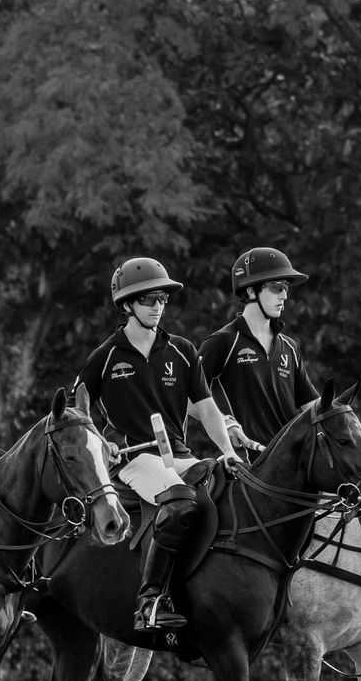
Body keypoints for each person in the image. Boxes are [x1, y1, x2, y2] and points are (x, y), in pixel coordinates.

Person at [76, 257, 244, 630]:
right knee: (181, 501)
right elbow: (79, 415)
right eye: (149, 299)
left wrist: (227, 452)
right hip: (133, 460)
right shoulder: (104, 358)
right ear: (127, 305)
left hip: (177, 456)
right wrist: (103, 444)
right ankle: (150, 601)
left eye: (163, 299)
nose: (158, 306)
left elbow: (207, 408)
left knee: (231, 486)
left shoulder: (183, 350)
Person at [198, 246, 320, 451]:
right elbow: (188, 396)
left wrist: (350, 424)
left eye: (286, 287)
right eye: (276, 287)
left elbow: (313, 406)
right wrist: (225, 422)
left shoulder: (289, 347)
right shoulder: (222, 342)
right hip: (248, 464)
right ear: (250, 290)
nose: (284, 296)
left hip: (292, 463)